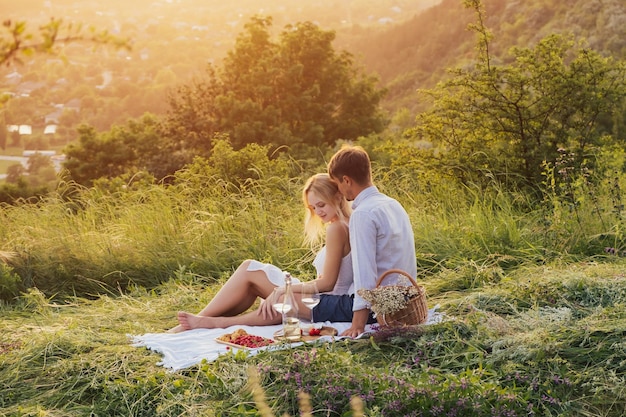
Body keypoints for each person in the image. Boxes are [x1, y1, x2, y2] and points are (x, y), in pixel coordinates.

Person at [172, 173, 356, 332]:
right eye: (312, 208)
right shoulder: (344, 224)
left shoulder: (337, 228)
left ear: (338, 197)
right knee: (249, 268)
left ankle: (210, 322)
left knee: (281, 296)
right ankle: (201, 320)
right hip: (319, 294)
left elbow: (327, 284)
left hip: (326, 300)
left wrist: (283, 288)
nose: (318, 212)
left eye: (321, 205)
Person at [328, 144, 417, 338]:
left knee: (298, 303)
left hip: (379, 311)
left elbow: (364, 273)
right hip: (406, 304)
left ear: (346, 180)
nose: (340, 191)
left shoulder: (363, 214)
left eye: (338, 184)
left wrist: (357, 325)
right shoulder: (393, 204)